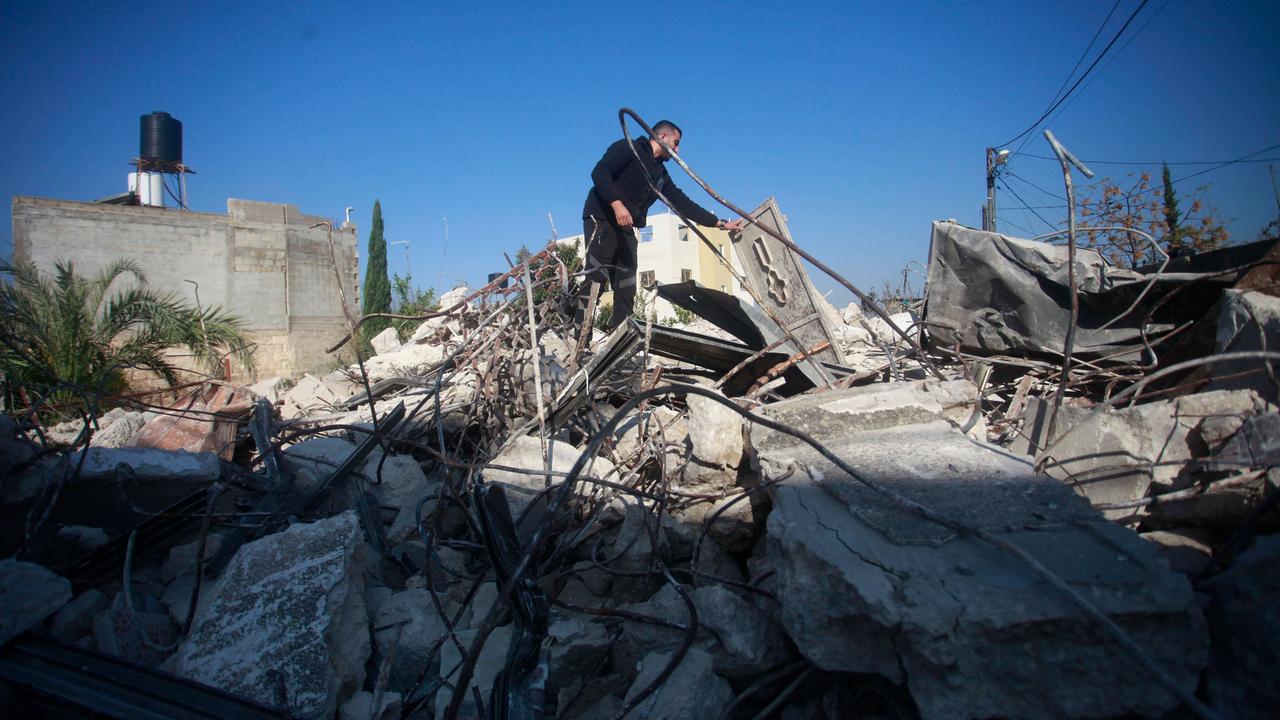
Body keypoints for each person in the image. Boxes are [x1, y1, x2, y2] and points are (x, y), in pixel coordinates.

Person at [575, 120, 744, 332]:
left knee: (627, 285)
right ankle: (579, 335)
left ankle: (619, 341)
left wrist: (719, 223)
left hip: (625, 228)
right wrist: (616, 205)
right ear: (662, 137)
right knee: (595, 279)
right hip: (601, 218)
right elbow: (600, 172)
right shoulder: (629, 147)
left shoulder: (660, 176)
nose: (677, 149)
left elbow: (683, 204)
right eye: (676, 143)